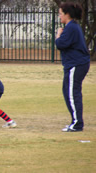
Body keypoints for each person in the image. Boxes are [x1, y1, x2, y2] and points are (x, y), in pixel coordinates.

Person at [55, 2, 90, 132]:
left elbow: (60, 44)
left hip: (76, 64)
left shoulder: (71, 28)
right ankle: (75, 122)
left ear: (67, 14)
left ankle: (77, 124)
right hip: (75, 64)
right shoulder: (72, 27)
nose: (59, 17)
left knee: (72, 94)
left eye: (60, 14)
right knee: (67, 91)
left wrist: (58, 34)